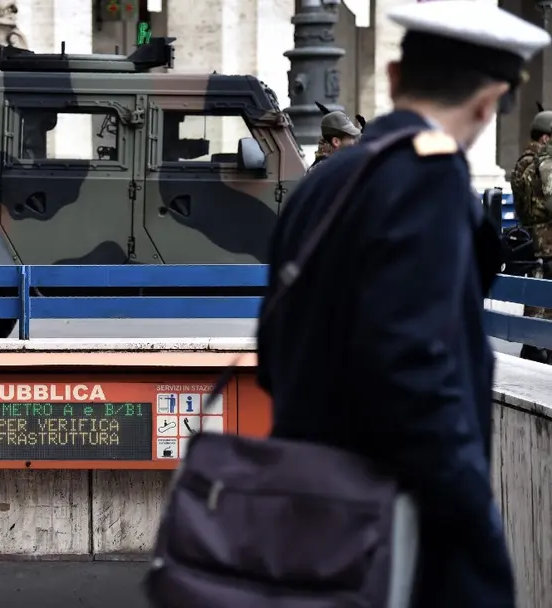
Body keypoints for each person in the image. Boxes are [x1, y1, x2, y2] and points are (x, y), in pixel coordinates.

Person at [256, 1, 549, 606]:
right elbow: (419, 379)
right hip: (389, 526)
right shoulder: (430, 182)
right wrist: (477, 550)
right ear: (489, 102)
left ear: (393, 78)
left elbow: (273, 351)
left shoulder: (325, 183)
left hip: (306, 505)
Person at [510, 110, 552, 361]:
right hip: (548, 239)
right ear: (546, 138)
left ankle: (533, 346)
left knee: (537, 293)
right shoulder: (544, 162)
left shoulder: (523, 161)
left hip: (532, 237)